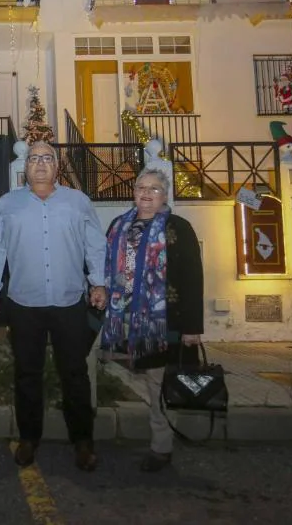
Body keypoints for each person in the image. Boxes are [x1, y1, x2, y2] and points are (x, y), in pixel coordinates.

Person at [0, 141, 107, 471]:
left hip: (69, 302)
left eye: (47, 158)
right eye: (34, 158)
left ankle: (83, 442)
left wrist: (98, 281)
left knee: (75, 374)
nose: (40, 163)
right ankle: (28, 438)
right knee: (27, 374)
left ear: (57, 165)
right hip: (24, 301)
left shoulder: (77, 203)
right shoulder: (7, 204)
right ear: (26, 165)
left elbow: (95, 244)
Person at [97, 168, 204, 472]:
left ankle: (161, 447)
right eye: (140, 188)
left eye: (154, 189)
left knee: (156, 383)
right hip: (122, 318)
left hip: (160, 321)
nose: (146, 194)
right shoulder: (119, 226)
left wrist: (192, 327)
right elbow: (106, 267)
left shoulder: (178, 228)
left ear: (165, 195)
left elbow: (193, 278)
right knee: (135, 378)